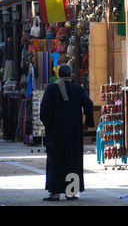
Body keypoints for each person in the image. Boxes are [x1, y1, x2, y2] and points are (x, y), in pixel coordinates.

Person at [40, 64, 94, 201]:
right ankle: (71, 192)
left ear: (59, 75)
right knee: (73, 161)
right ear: (70, 75)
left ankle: (55, 193)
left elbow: (44, 109)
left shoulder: (52, 89)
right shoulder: (77, 89)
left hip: (56, 132)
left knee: (55, 160)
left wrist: (49, 125)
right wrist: (87, 123)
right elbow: (88, 104)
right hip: (74, 132)